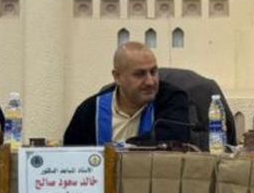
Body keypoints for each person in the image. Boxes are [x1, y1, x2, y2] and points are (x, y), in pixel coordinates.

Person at [62, 42, 196, 147]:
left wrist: (122, 147)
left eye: (153, 72)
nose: (150, 82)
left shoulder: (172, 99)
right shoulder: (89, 112)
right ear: (117, 77)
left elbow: (174, 143)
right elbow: (71, 158)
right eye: (140, 74)